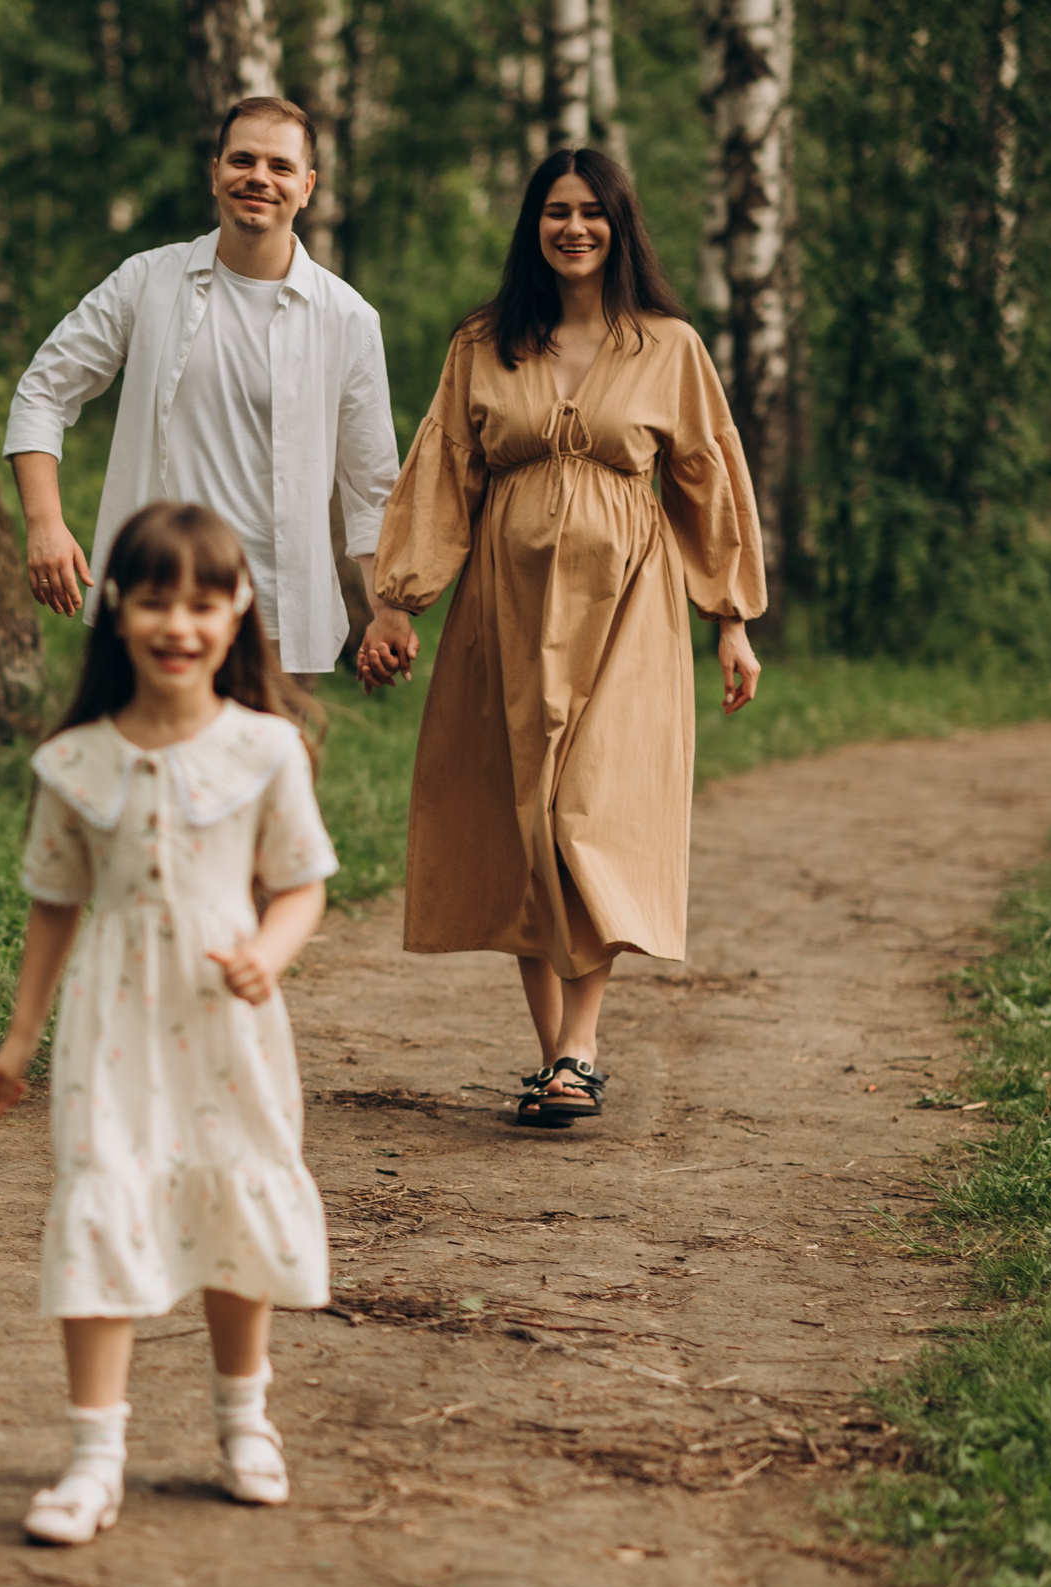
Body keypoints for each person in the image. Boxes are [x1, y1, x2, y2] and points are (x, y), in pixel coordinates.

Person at [356, 149, 766, 1128]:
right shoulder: (485, 343)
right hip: (505, 609)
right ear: (531, 227)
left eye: (592, 212)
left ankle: (580, 1040)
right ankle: (559, 1058)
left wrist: (732, 621)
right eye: (555, 211)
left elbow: (709, 478)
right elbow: (444, 467)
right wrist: (395, 600)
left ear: (620, 227)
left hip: (629, 610)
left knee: (591, 811)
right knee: (521, 816)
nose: (573, 227)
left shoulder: (668, 347)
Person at [0, 502, 339, 1547]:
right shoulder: (74, 762)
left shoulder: (265, 750)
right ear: (115, 611)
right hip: (113, 1020)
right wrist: (20, 1034)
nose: (177, 624)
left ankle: (245, 1423)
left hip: (228, 1019)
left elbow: (302, 885)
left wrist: (266, 957)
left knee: (228, 1197)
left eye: (200, 601)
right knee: (103, 1200)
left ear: (237, 613)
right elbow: (53, 903)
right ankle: (94, 1458)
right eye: (153, 600)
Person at [4, 96, 400, 685]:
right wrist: (45, 523)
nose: (259, 177)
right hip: (153, 605)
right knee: (145, 774)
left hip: (277, 623)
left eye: (280, 166)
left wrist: (387, 613)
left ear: (308, 186)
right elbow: (43, 391)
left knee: (266, 778)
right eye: (243, 160)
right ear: (215, 171)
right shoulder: (146, 282)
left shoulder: (347, 318)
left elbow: (372, 490)